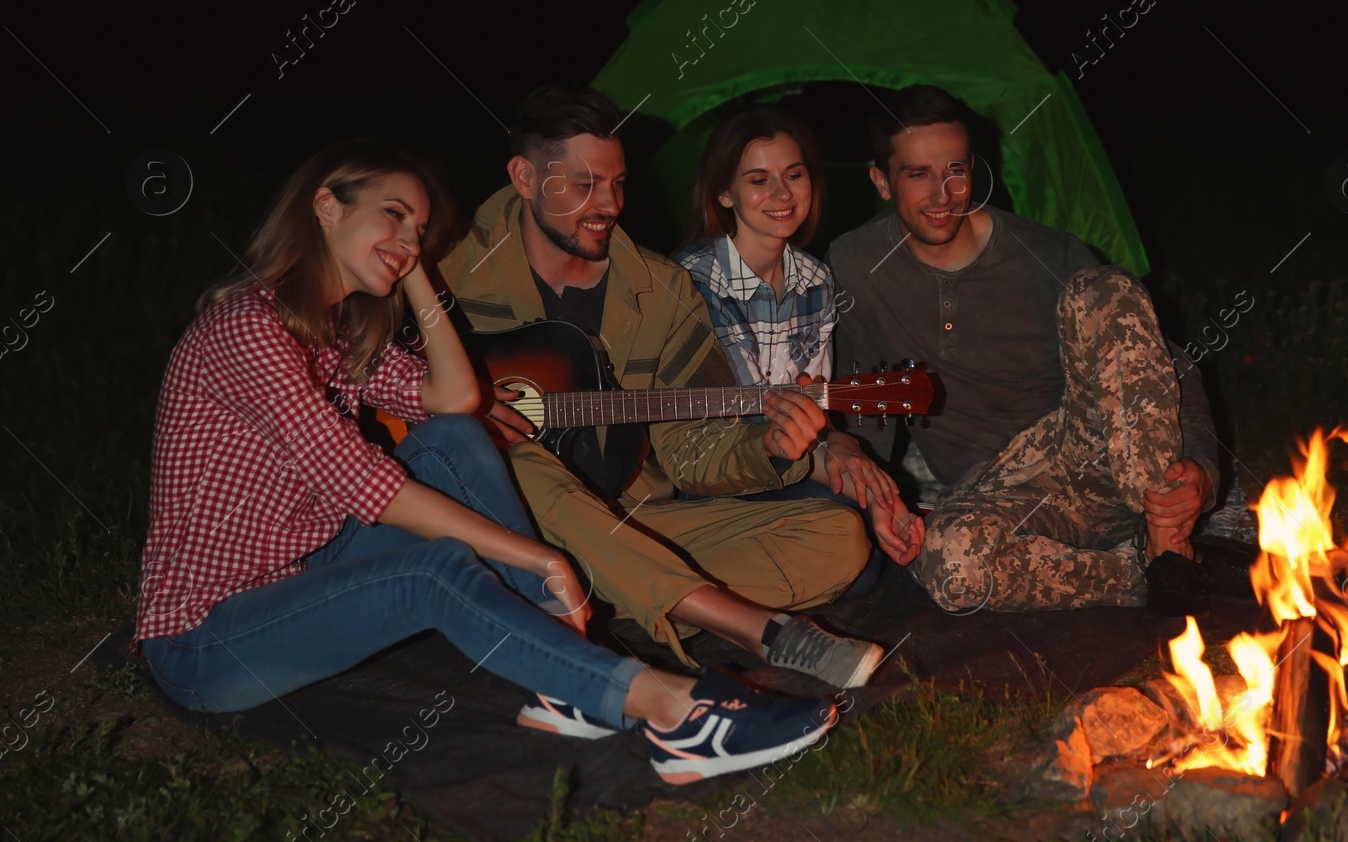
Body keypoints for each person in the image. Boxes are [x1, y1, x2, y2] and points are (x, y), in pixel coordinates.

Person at [134, 140, 836, 784]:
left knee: (458, 438)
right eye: (394, 216)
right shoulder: (247, 329)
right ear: (325, 204)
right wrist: (538, 559)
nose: (408, 240)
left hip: (309, 563)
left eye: (420, 231)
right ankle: (668, 710)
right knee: (433, 569)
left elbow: (455, 395)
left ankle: (565, 682)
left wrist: (414, 277)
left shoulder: (335, 334)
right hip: (208, 636)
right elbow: (367, 486)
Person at [436, 85, 886, 689]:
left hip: (625, 517)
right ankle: (760, 630)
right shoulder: (447, 260)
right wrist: (458, 403)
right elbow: (355, 358)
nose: (608, 205)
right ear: (524, 177)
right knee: (516, 458)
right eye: (584, 184)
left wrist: (771, 450)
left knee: (839, 538)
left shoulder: (661, 290)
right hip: (487, 520)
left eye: (618, 183)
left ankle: (599, 597)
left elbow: (693, 453)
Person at [828, 86, 1220, 616]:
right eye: (918, 175)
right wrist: (879, 499)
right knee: (950, 562)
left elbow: (1163, 364)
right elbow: (866, 402)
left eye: (956, 171)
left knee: (1104, 287)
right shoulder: (856, 264)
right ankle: (1143, 575)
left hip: (1097, 456)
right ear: (881, 181)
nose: (943, 195)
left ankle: (1168, 535)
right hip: (997, 493)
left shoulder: (1047, 254)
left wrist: (1201, 469)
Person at [674, 105, 925, 596]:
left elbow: (808, 405)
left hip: (790, 458)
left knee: (865, 551)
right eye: (758, 180)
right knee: (851, 552)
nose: (782, 194)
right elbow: (750, 422)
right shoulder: (694, 281)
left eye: (794, 174)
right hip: (713, 472)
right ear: (724, 193)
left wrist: (869, 485)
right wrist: (844, 461)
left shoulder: (815, 280)